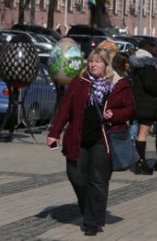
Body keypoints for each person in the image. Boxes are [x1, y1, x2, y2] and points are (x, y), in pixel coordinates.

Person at [47, 48, 135, 236]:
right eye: (91, 61)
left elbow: (130, 109)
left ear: (106, 64)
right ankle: (89, 208)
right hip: (77, 138)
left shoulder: (118, 84)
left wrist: (114, 115)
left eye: (98, 61)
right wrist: (54, 133)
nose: (93, 64)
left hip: (103, 140)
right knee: (75, 176)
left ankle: (92, 222)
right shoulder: (79, 82)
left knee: (98, 181)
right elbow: (65, 109)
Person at [129, 41, 157, 175]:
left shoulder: (137, 64)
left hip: (139, 101)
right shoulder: (148, 66)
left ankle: (139, 162)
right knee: (143, 132)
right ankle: (141, 162)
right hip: (146, 103)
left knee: (140, 132)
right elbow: (150, 85)